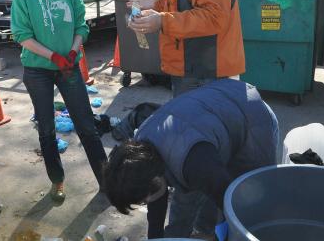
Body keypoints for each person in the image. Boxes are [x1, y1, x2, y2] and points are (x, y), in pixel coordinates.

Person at [127, 0, 245, 238]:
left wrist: (163, 21)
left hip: (204, 73)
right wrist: (159, 3)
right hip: (199, 71)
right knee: (208, 154)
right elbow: (187, 1)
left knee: (190, 156)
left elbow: (213, 17)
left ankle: (185, 231)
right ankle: (205, 228)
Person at [103, 79, 278, 239]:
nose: (146, 203)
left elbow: (236, 210)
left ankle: (206, 232)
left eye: (143, 200)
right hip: (210, 118)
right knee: (189, 197)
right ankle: (201, 232)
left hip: (252, 118)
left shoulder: (197, 164)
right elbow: (156, 199)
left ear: (154, 178)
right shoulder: (142, 150)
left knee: (250, 203)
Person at [10, 0, 107, 202]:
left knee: (86, 124)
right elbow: (21, 35)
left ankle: (106, 180)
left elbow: (81, 25)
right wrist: (52, 55)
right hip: (38, 70)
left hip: (69, 67)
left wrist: (74, 50)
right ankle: (57, 181)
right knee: (46, 128)